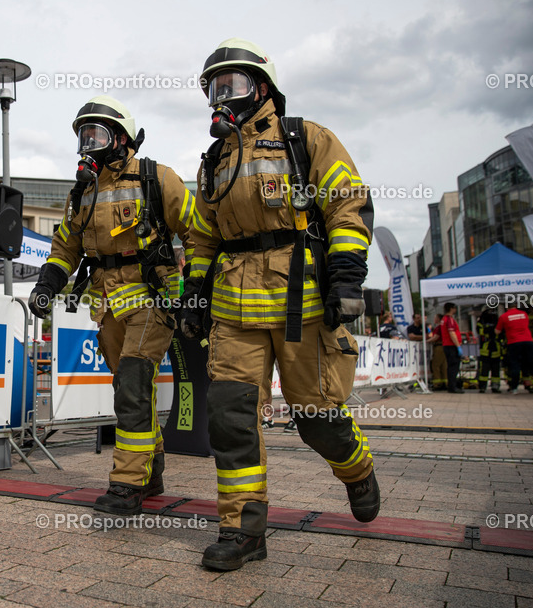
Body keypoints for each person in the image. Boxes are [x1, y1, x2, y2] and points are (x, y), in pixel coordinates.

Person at [178, 38, 378, 571]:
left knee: (317, 416)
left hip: (303, 303)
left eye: (234, 83)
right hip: (233, 309)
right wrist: (193, 293)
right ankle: (242, 530)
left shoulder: (304, 139)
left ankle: (356, 468)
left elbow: (347, 205)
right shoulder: (214, 161)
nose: (224, 94)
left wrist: (348, 278)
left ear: (261, 87)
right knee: (229, 418)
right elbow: (201, 236)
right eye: (215, 87)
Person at [28, 96, 203, 515]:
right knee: (130, 390)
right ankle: (152, 469)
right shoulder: (83, 192)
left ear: (121, 138)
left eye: (97, 134)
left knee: (131, 385)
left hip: (153, 298)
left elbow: (198, 231)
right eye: (83, 136)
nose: (88, 144)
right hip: (107, 307)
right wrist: (47, 284)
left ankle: (127, 484)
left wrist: (195, 287)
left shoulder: (156, 178)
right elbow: (64, 248)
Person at [496, 306, 533, 394]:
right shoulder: (524, 314)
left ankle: (514, 388)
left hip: (514, 342)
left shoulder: (504, 316)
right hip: (528, 340)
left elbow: (497, 331)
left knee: (515, 365)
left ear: (507, 307)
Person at [477, 307, 504, 393]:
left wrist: (490, 330)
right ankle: (482, 386)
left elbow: (500, 332)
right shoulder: (481, 322)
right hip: (486, 349)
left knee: (495, 370)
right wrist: (492, 330)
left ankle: (495, 386)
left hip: (495, 348)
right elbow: (481, 331)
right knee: (484, 370)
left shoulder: (497, 321)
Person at [439, 303, 463, 393]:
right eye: (454, 308)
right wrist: (458, 346)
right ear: (451, 309)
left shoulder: (443, 319)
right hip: (451, 346)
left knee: (450, 367)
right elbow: (452, 333)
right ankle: (453, 387)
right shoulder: (449, 319)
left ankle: (451, 386)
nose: (455, 309)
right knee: (454, 367)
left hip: (446, 345)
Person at [429, 314, 447, 390]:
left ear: (439, 319)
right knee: (443, 366)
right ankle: (445, 382)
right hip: (444, 347)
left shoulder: (439, 327)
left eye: (435, 318)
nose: (434, 319)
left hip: (439, 346)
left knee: (435, 365)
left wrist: (426, 341)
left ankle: (437, 383)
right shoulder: (442, 327)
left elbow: (435, 337)